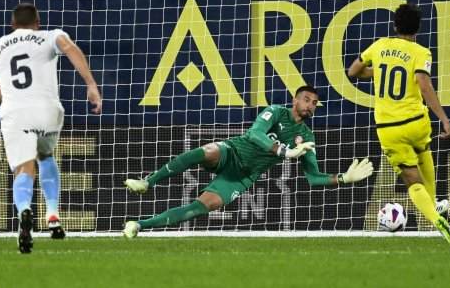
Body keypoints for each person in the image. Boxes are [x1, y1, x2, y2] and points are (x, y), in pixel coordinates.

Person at [122, 85, 373, 237]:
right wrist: (283, 152)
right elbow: (254, 134)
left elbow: (313, 178)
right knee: (207, 150)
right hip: (232, 152)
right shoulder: (276, 111)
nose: (310, 105)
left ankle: (139, 225)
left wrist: (343, 178)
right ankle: (148, 182)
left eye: (315, 103)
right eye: (306, 99)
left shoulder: (306, 138)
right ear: (295, 100)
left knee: (202, 206)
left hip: (242, 176)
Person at [0, 3, 102, 253]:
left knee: (23, 167)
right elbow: (70, 49)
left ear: (12, 25)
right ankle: (53, 215)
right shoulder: (51, 35)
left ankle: (25, 211)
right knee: (45, 155)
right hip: (48, 111)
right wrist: (91, 84)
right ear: (38, 22)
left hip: (15, 114)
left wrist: (15, 98)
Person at [347, 3, 450, 245]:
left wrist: (377, 71)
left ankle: (435, 218)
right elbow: (424, 84)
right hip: (417, 122)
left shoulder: (379, 45)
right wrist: (444, 119)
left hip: (389, 129)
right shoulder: (422, 52)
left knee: (412, 180)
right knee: (424, 151)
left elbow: (353, 71)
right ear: (417, 29)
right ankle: (435, 206)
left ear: (395, 26)